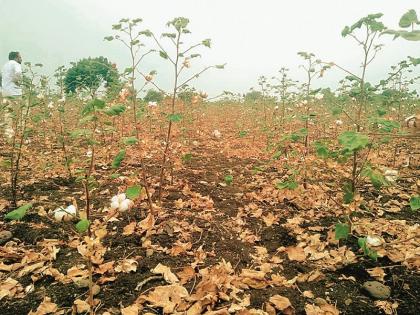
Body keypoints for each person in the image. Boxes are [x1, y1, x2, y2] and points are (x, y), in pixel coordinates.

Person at [1, 52, 22, 138]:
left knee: (8, 112)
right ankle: (21, 130)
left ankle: (8, 132)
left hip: (6, 91)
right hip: (15, 92)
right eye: (20, 57)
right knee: (23, 110)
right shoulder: (16, 64)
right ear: (16, 57)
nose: (21, 59)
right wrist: (16, 81)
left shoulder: (5, 65)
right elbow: (18, 73)